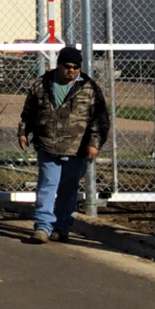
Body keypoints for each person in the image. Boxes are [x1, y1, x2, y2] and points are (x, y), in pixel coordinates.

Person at [17, 45, 110, 244]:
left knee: (68, 189)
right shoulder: (42, 84)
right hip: (47, 144)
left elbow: (99, 119)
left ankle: (61, 226)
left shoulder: (89, 88)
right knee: (47, 186)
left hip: (77, 148)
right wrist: (24, 131)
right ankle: (43, 226)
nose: (72, 71)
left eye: (76, 67)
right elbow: (29, 112)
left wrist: (94, 143)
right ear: (58, 65)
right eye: (68, 66)